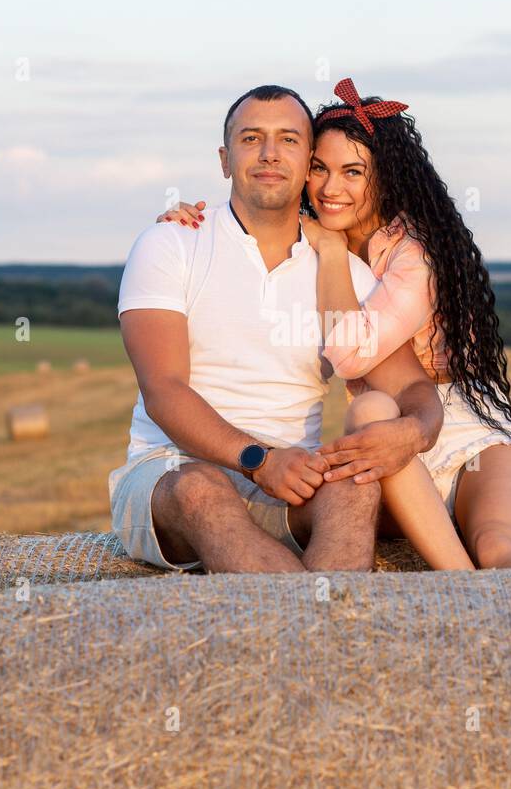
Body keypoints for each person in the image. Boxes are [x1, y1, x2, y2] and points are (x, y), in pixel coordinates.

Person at [158, 78, 511, 570]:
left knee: (501, 550)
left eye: (353, 172)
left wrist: (333, 251)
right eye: (319, 168)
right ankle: (463, 592)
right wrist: (188, 216)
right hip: (383, 455)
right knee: (371, 411)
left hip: (464, 432)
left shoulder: (412, 253)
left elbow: (352, 351)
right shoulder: (305, 233)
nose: (329, 187)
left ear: (384, 178)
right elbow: (249, 208)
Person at [109, 84, 445, 574]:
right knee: (203, 488)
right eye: (251, 139)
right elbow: (163, 390)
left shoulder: (344, 275)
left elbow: (414, 387)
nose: (269, 154)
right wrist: (259, 460)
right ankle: (306, 629)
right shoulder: (171, 245)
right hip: (169, 473)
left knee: (356, 486)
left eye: (288, 140)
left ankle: (326, 628)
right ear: (225, 159)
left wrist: (412, 432)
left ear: (309, 161)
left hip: (291, 482)